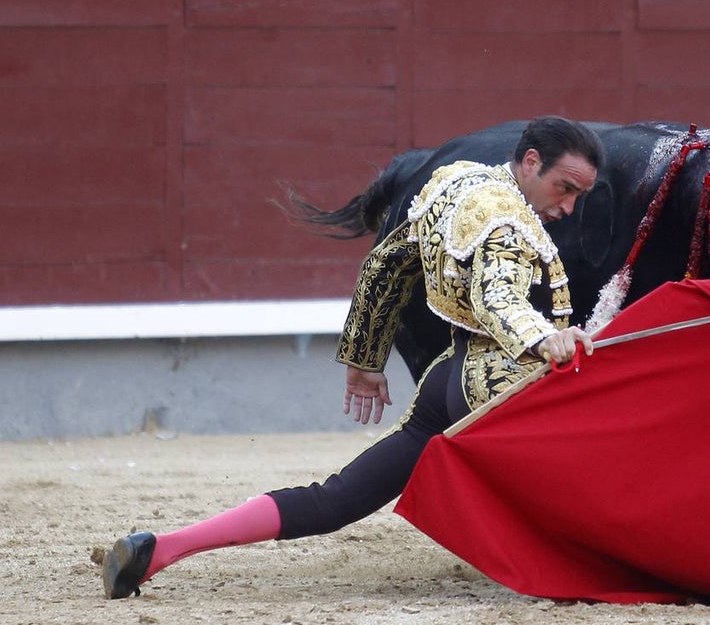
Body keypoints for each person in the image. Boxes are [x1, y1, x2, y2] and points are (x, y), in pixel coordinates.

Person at [102, 116, 604, 600]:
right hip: (499, 388)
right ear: (531, 161)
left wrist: (366, 356)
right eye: (565, 187)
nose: (569, 206)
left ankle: (162, 548)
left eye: (581, 195)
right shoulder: (507, 223)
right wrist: (542, 339)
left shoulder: (460, 181)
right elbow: (500, 299)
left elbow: (388, 261)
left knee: (336, 498)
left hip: (447, 382)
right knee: (597, 464)